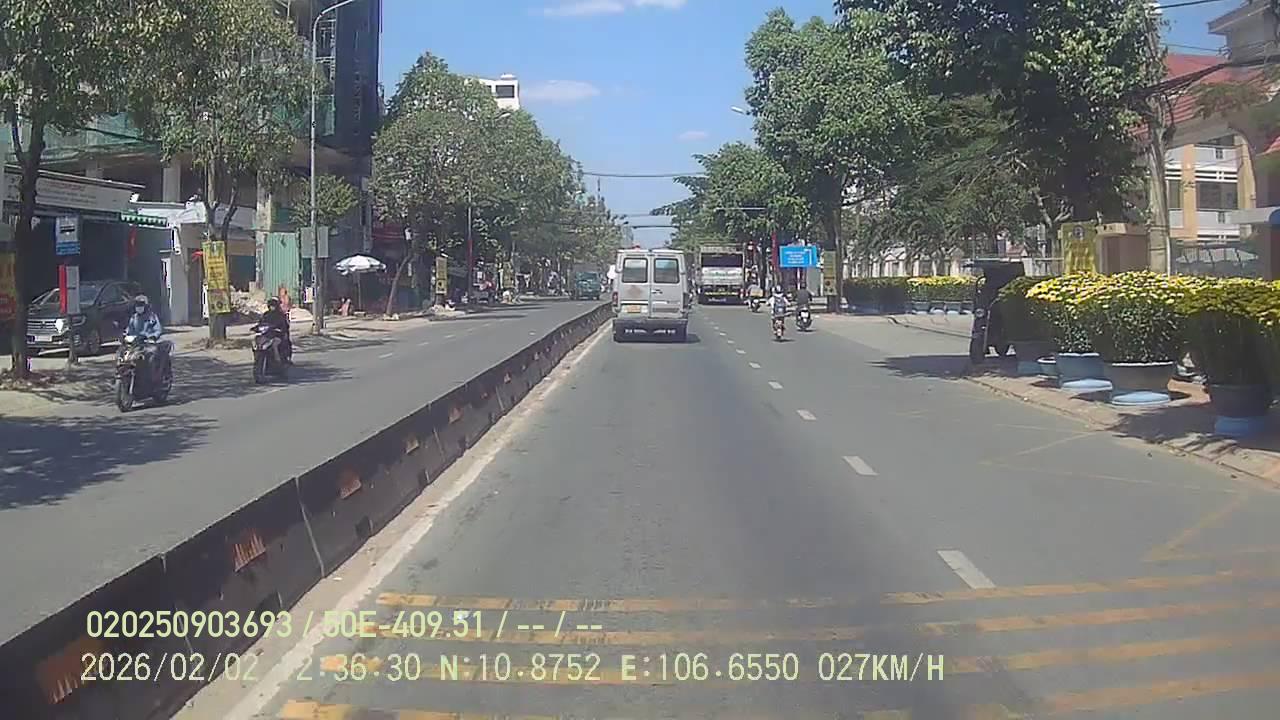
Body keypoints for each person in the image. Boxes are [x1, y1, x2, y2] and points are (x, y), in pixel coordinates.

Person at [124, 295, 169, 383]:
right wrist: (125, 334)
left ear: (146, 306)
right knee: (123, 355)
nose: (139, 307)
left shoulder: (152, 317)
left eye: (141, 305)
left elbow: (158, 329)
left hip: (149, 343)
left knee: (151, 356)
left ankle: (153, 378)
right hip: (136, 344)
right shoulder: (134, 318)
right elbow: (129, 330)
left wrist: (152, 336)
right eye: (137, 305)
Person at [260, 297, 292, 364]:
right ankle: (258, 359)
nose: (272, 307)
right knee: (257, 343)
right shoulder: (265, 315)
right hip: (267, 335)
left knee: (275, 344)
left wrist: (282, 330)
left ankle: (279, 360)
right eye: (271, 305)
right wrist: (256, 328)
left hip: (277, 335)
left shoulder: (281, 315)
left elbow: (285, 325)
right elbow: (261, 323)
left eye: (273, 305)